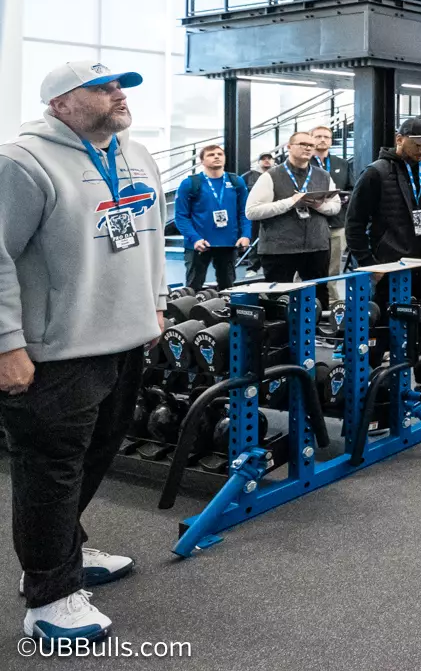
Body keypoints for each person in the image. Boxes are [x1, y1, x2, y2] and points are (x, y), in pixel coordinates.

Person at [0, 62, 161, 639]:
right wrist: (6, 345)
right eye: (104, 87)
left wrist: (157, 304)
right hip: (56, 351)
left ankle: (65, 552)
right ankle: (48, 594)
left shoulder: (136, 154)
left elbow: (150, 235)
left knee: (95, 456)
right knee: (52, 470)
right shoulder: (22, 161)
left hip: (124, 339)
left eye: (122, 86)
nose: (119, 95)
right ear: (61, 103)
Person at [344, 119, 421, 405]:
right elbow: (355, 224)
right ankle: (369, 390)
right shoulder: (376, 173)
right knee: (382, 328)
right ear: (400, 139)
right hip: (390, 268)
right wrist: (370, 264)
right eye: (417, 145)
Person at [247, 132, 341, 289]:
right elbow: (252, 211)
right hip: (279, 249)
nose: (308, 148)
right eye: (302, 144)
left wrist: (318, 205)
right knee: (279, 300)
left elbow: (335, 206)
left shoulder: (323, 176)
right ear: (289, 147)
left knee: (318, 299)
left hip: (317, 247)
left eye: (311, 145)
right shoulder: (270, 176)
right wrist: (290, 202)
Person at [174, 143, 251, 290]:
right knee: (193, 287)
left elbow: (245, 212)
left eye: (220, 154)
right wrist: (194, 238)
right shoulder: (190, 183)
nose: (216, 156)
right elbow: (181, 217)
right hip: (200, 245)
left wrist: (246, 235)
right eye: (210, 154)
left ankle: (225, 312)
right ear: (202, 161)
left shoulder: (236, 182)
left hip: (228, 243)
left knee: (228, 287)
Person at [309, 125, 351, 302]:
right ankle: (303, 303)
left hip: (336, 222)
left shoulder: (342, 163)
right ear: (311, 139)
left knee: (333, 269)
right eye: (318, 136)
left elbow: (351, 188)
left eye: (326, 136)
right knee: (306, 268)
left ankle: (332, 304)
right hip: (309, 223)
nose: (322, 139)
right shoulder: (305, 163)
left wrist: (344, 198)